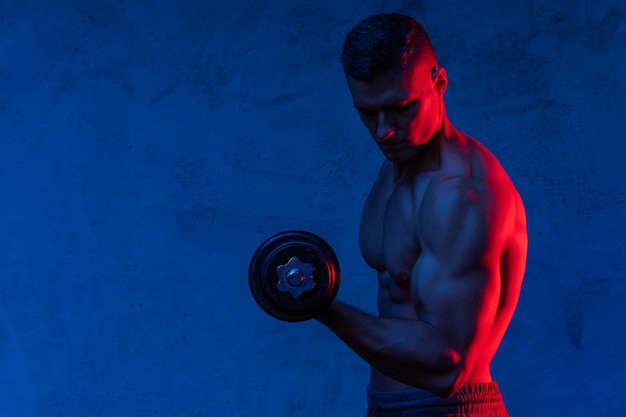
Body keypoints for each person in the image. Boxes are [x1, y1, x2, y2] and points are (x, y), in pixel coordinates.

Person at [315, 13, 528, 416]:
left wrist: (323, 307)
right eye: (367, 113)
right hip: (385, 405)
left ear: (439, 83)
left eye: (400, 108)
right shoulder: (398, 163)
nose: (383, 132)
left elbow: (447, 366)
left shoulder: (461, 194)